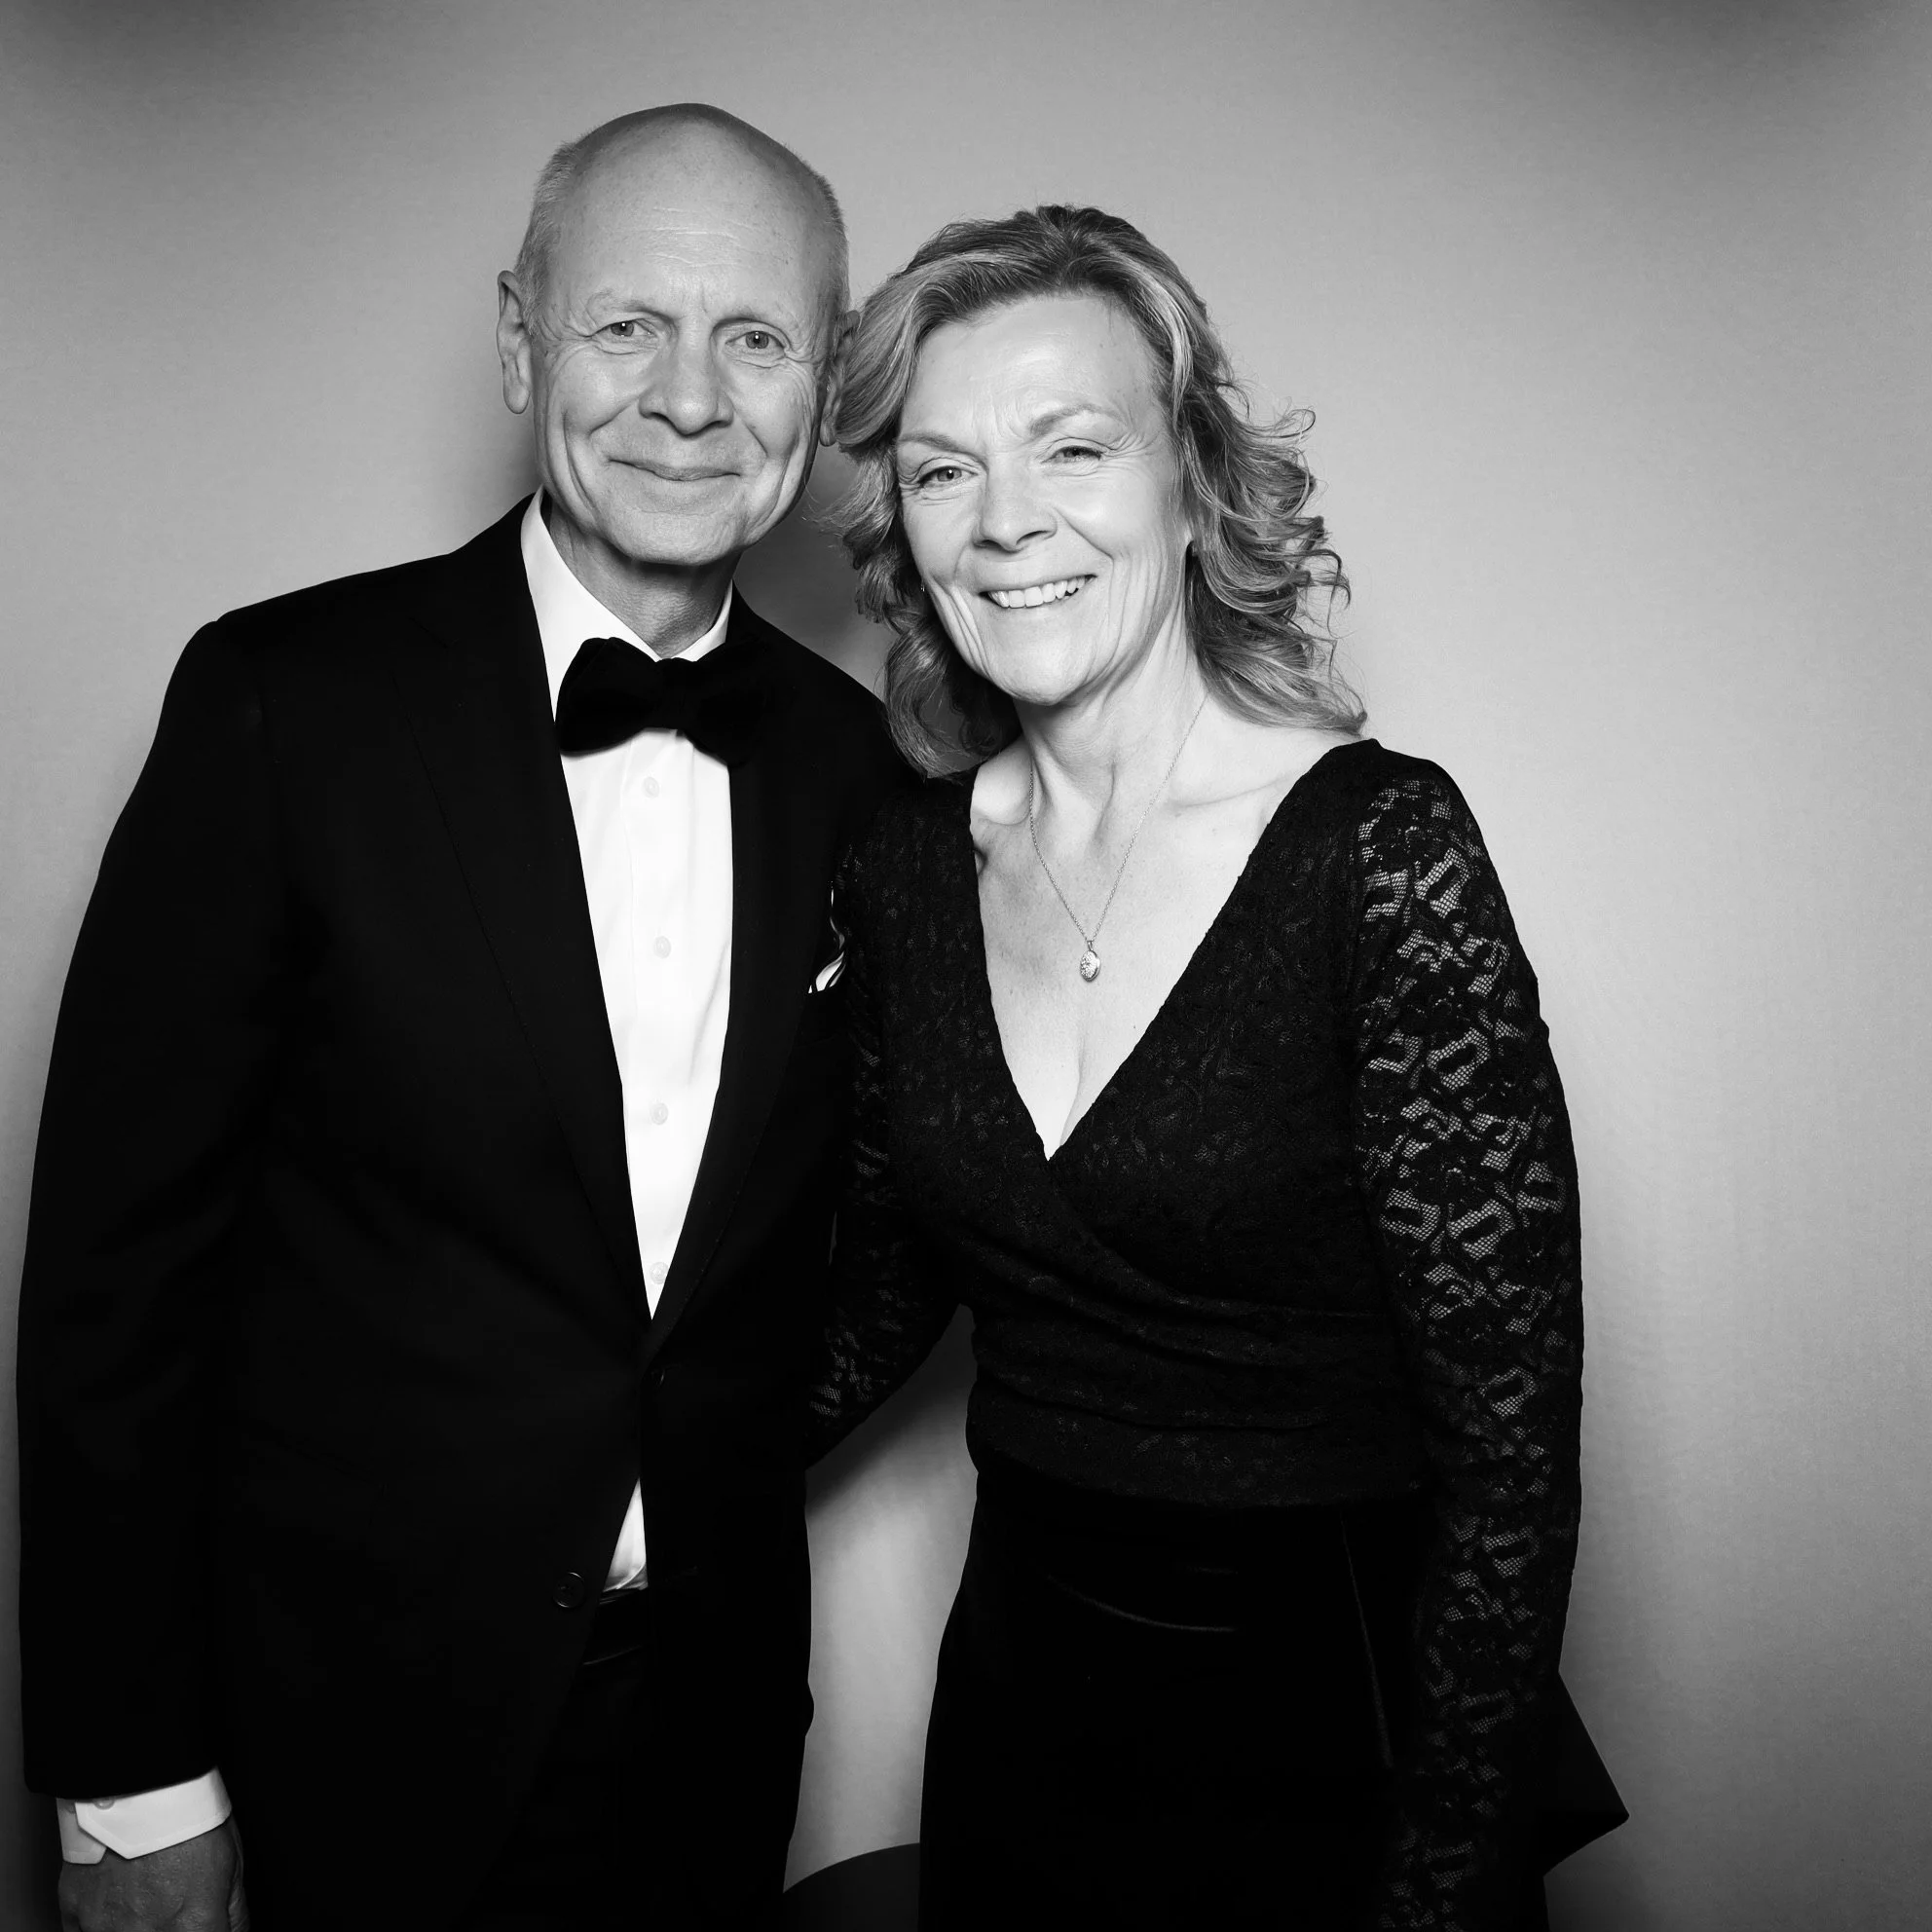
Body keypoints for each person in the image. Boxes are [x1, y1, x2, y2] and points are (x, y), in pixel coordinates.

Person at [18, 105, 906, 1932]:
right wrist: (130, 1786)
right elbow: (117, 1289)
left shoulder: (864, 770)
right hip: (331, 1742)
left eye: (754, 338)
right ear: (520, 341)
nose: (688, 398)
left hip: (708, 1742)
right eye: (624, 325)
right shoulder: (281, 704)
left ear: (822, 389)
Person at [808, 204, 1596, 1930]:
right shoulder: (905, 872)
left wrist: (1442, 1883)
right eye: (942, 471)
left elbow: (1511, 1463)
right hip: (1024, 1702)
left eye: (1071, 447)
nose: (1005, 520)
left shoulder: (1381, 854)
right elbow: (871, 1301)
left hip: (1337, 1723)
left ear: (1190, 484)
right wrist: (594, 1471)